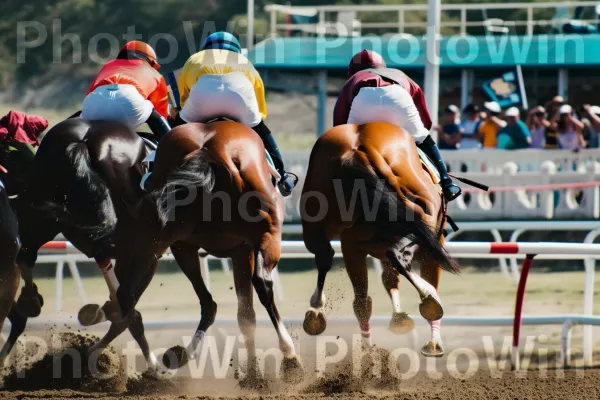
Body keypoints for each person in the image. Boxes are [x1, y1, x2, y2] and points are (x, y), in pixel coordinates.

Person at [174, 31, 296, 197]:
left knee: (176, 129)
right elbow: (260, 106)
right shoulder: (245, 61)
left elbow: (184, 95)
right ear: (236, 49)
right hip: (240, 90)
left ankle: (156, 168)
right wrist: (256, 122)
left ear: (205, 48)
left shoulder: (195, 59)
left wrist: (182, 117)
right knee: (261, 128)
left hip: (203, 92)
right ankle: (282, 175)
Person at [333, 49, 461, 201]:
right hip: (398, 96)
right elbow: (424, 117)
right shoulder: (398, 74)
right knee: (423, 137)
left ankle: (335, 186)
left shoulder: (354, 78)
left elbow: (339, 121)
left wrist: (341, 139)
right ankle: (447, 183)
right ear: (383, 66)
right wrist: (420, 134)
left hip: (363, 99)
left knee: (347, 144)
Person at [81, 41, 171, 141]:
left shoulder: (107, 65)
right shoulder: (154, 73)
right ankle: (173, 147)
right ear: (150, 61)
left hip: (95, 102)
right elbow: (162, 112)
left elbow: (89, 95)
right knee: (152, 109)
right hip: (129, 101)